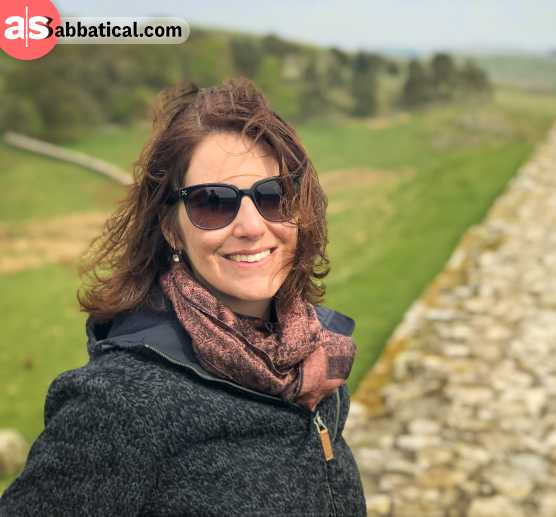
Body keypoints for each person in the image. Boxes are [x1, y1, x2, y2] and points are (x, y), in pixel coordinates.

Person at [0, 78, 367, 516]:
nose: (251, 226)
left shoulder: (316, 360)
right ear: (172, 228)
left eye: (274, 196)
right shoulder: (119, 405)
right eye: (213, 202)